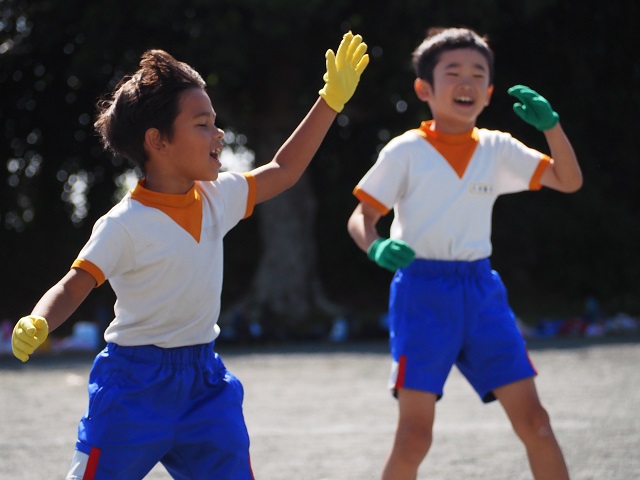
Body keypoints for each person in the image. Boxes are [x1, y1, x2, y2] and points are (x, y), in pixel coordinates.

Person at [12, 32, 369, 479]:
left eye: (215, 121)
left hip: (205, 385)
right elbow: (73, 285)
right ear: (157, 141)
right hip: (132, 389)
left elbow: (283, 170)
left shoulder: (219, 195)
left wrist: (329, 101)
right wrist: (39, 320)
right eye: (202, 124)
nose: (218, 133)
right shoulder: (123, 224)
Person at [347, 27, 581, 480]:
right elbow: (362, 217)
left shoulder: (498, 147)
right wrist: (376, 246)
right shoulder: (405, 150)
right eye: (452, 72)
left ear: (489, 92)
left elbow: (568, 181)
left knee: (536, 423)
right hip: (421, 294)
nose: (466, 82)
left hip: (481, 293)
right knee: (414, 436)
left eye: (478, 74)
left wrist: (551, 127)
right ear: (424, 89)